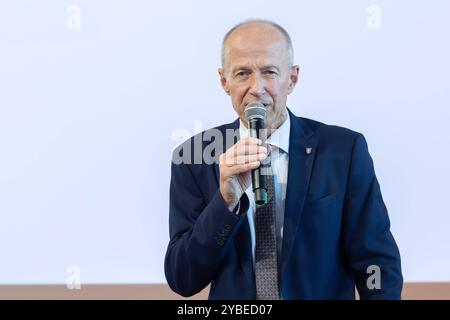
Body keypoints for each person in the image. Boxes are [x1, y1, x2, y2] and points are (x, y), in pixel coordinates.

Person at [164, 19, 403, 300]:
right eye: (242, 73)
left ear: (292, 78)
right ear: (224, 81)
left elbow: (376, 261)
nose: (257, 87)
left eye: (269, 72)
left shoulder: (343, 150)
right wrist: (225, 203)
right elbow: (183, 277)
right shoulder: (192, 157)